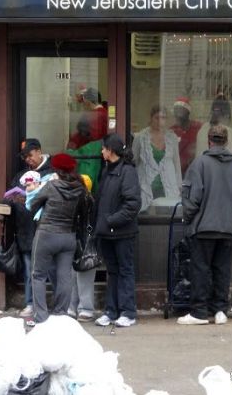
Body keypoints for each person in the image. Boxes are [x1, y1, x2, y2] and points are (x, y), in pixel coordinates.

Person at [178, 125, 232, 326]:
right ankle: (219, 310)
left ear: (209, 141)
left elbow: (192, 198)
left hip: (203, 228)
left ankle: (199, 312)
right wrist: (231, 216)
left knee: (200, 269)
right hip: (226, 229)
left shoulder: (199, 164)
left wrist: (189, 218)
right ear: (225, 142)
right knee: (221, 270)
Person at [28, 153, 86, 324]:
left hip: (46, 235)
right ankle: (60, 315)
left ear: (56, 169)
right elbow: (83, 213)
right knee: (64, 276)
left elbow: (32, 206)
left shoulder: (51, 186)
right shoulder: (80, 188)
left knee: (38, 275)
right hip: (68, 237)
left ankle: (41, 317)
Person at [94, 134, 142, 328]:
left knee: (125, 271)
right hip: (107, 232)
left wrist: (111, 220)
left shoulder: (127, 172)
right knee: (112, 272)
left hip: (122, 233)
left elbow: (132, 204)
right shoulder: (107, 170)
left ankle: (128, 312)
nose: (102, 151)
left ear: (111, 151)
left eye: (104, 148)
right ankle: (111, 311)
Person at [3, 138, 54, 318]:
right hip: (25, 229)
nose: (28, 160)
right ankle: (30, 303)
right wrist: (9, 201)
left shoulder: (53, 173)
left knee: (52, 270)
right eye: (25, 157)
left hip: (48, 229)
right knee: (29, 271)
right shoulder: (21, 176)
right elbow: (9, 196)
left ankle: (59, 305)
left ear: (39, 151)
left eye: (30, 155)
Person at [131, 105, 182, 212]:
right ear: (151, 118)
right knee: (146, 219)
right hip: (146, 187)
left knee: (167, 218)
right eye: (157, 118)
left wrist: (179, 185)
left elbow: (176, 164)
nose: (160, 121)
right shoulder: (141, 137)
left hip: (167, 186)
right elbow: (133, 162)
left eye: (163, 118)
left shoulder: (171, 137)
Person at [68, 173, 97, 322]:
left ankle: (85, 308)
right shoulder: (77, 200)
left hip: (85, 242)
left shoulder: (89, 201)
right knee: (73, 276)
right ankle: (73, 307)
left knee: (83, 276)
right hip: (75, 241)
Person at [169, 97, 203, 175]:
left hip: (195, 172)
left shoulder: (198, 128)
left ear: (187, 112)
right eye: (175, 111)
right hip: (176, 173)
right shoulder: (171, 131)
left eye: (180, 111)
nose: (177, 114)